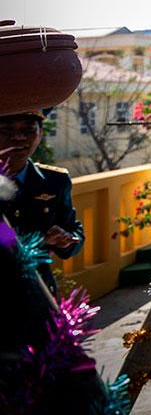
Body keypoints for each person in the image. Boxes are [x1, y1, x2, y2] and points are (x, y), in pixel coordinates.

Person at [0, 111, 84, 297]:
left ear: (40, 134)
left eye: (28, 130)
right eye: (6, 131)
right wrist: (40, 242)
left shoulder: (55, 181)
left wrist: (65, 239)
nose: (19, 137)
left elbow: (74, 230)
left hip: (40, 291)